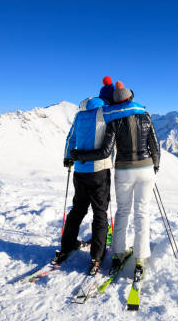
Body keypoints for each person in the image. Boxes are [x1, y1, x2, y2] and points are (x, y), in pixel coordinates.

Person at [71, 81, 160, 280]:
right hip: (146, 169)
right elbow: (155, 144)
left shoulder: (113, 120)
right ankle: (140, 259)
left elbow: (105, 151)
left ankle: (118, 253)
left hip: (124, 170)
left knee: (123, 212)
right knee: (142, 213)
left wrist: (81, 156)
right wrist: (155, 166)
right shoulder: (145, 116)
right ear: (130, 98)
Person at [57, 77, 115, 275]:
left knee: (78, 209)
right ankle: (96, 257)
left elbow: (70, 138)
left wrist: (67, 157)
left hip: (80, 171)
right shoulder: (107, 113)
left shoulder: (80, 114)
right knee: (100, 213)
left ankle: (67, 246)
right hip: (99, 170)